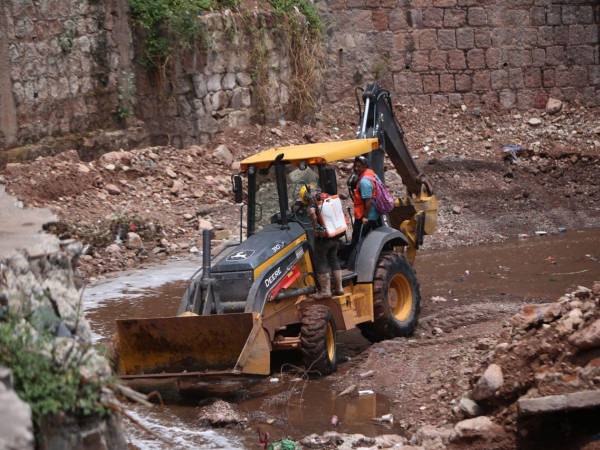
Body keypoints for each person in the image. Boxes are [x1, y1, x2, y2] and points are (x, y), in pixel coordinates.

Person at [299, 185, 344, 298]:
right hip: (335, 235)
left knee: (320, 261)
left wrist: (315, 227)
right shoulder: (326, 197)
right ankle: (339, 288)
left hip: (323, 238)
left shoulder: (313, 202)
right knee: (333, 259)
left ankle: (325, 291)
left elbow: (312, 214)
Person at [350, 155, 381, 249]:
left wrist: (365, 217)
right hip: (375, 213)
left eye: (359, 166)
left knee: (358, 239)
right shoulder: (371, 174)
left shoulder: (364, 181)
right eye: (355, 166)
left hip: (365, 215)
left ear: (365, 166)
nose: (356, 168)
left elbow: (368, 201)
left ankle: (355, 258)